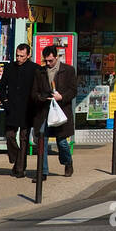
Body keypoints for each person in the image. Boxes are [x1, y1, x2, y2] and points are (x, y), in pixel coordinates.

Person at [32, 45, 78, 178]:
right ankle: (43, 172)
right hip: (44, 111)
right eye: (45, 61)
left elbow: (73, 90)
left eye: (50, 61)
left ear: (56, 57)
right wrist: (41, 98)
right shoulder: (39, 72)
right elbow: (34, 92)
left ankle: (67, 162)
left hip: (61, 110)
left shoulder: (68, 70)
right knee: (43, 139)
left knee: (62, 141)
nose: (48, 63)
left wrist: (62, 97)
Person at [0, 44, 36, 177]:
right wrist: (5, 101)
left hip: (27, 109)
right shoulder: (9, 67)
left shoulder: (34, 68)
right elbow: (1, 87)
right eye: (17, 55)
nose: (19, 58)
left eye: (22, 56)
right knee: (9, 135)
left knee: (24, 138)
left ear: (28, 55)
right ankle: (16, 156)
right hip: (12, 108)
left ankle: (20, 168)